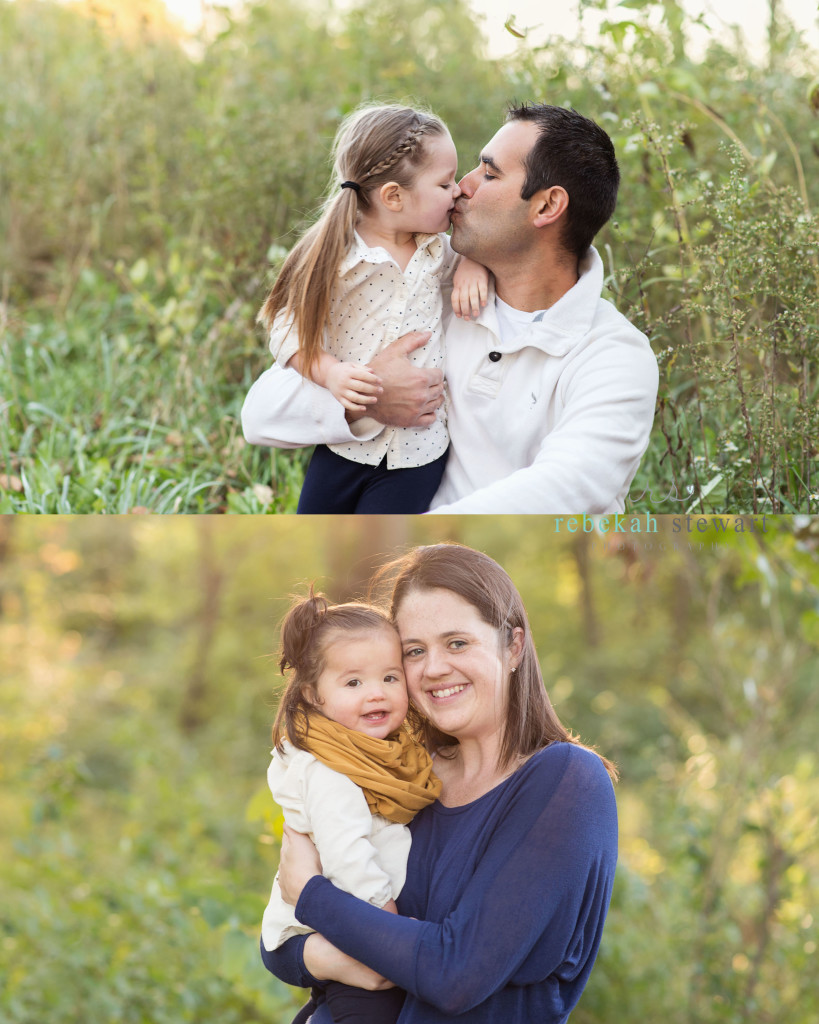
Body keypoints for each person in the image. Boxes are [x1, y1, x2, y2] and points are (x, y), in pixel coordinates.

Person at [242, 103, 659, 514]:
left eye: (490, 173)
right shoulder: (427, 292)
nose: (462, 185)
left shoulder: (615, 356)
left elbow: (569, 489)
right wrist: (368, 398)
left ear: (547, 206)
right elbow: (260, 414)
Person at [262, 543, 619, 1023]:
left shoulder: (568, 781)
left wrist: (312, 894)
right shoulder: (406, 776)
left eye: (457, 643)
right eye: (414, 651)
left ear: (513, 646)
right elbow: (277, 942)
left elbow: (456, 975)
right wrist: (321, 953)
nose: (433, 668)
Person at [255, 103, 489, 514]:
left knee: (380, 549)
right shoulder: (334, 254)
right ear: (394, 196)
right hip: (345, 447)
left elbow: (480, 253)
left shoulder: (437, 250)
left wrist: (473, 262)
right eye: (444, 183)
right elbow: (284, 328)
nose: (457, 192)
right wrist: (331, 373)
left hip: (419, 454)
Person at [261, 589, 442, 1024]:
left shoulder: (385, 754)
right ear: (314, 694)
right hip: (335, 927)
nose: (375, 694)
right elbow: (346, 855)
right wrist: (388, 922)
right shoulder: (329, 769)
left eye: (390, 678)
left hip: (345, 927)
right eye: (353, 682)